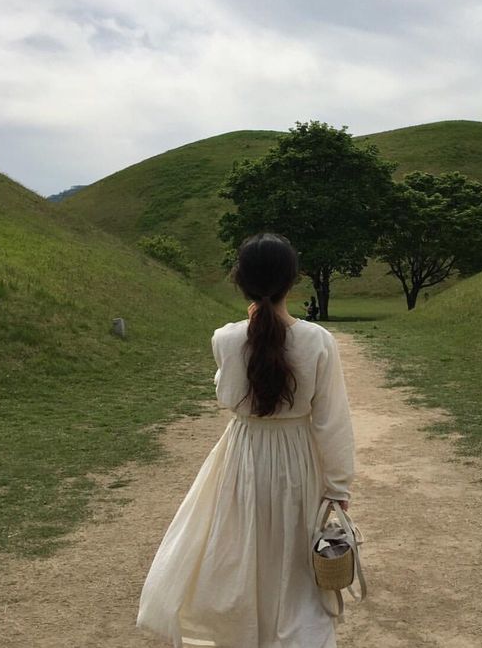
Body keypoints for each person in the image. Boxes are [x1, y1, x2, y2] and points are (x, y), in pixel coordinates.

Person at [136, 231, 356, 648]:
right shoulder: (317, 341)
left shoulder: (226, 339)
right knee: (292, 553)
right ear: (294, 280)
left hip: (243, 453)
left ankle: (243, 630)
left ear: (241, 280)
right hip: (297, 458)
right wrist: (338, 484)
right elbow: (332, 420)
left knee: (243, 546)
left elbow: (226, 392)